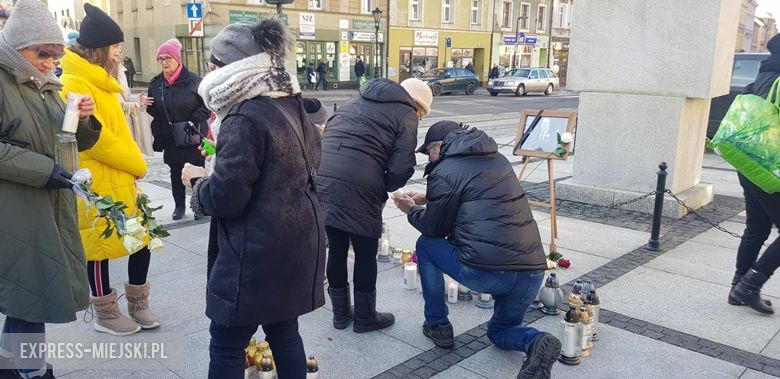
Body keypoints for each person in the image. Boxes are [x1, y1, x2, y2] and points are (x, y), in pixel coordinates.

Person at [181, 17, 325, 379]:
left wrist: (198, 184)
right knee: (284, 331)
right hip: (294, 240)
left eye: (214, 64)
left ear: (230, 69)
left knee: (227, 343)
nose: (209, 71)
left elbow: (228, 197)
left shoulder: (243, 116)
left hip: (255, 251)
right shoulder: (290, 104)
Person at [392, 121, 562, 379]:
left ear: (440, 145)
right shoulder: (499, 159)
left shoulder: (445, 170)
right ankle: (536, 341)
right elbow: (479, 193)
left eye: (428, 152)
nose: (428, 157)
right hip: (531, 272)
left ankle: (437, 324)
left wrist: (410, 210)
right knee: (500, 332)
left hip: (488, 272)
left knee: (426, 245)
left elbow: (434, 227)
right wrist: (428, 198)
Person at [0, 0, 102, 377]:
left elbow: (66, 139)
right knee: (30, 294)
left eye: (56, 54)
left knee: (27, 295)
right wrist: (44, 169)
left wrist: (85, 119)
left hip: (46, 203)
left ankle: (15, 367)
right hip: (16, 208)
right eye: (43, 54)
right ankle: (32, 372)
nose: (50, 62)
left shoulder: (45, 83)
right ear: (18, 46)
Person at [60, 3, 155, 337]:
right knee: (99, 247)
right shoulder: (74, 82)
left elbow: (119, 134)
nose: (119, 54)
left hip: (121, 177)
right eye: (115, 47)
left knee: (140, 240)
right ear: (99, 49)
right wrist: (137, 163)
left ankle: (138, 303)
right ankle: (105, 312)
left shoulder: (103, 83)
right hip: (97, 180)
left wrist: (132, 165)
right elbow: (95, 139)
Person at [315, 78, 433, 333]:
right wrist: (386, 185)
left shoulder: (351, 102)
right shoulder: (406, 113)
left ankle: (340, 315)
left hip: (323, 180)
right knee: (366, 252)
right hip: (361, 186)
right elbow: (401, 166)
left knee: (336, 248)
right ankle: (366, 317)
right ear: (418, 105)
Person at [728, 33, 780, 315]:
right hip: (769, 168)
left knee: (757, 228)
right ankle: (750, 285)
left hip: (748, 164)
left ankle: (738, 286)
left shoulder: (762, 76)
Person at [146, 38, 209, 220]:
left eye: (168, 58)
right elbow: (155, 109)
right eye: (161, 59)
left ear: (177, 59)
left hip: (191, 135)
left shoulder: (194, 81)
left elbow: (206, 106)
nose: (164, 62)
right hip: (170, 136)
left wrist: (192, 121)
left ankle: (200, 206)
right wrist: (146, 105)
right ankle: (179, 206)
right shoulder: (157, 84)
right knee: (175, 172)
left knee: (196, 171)